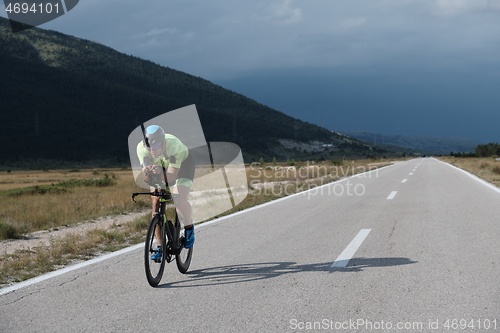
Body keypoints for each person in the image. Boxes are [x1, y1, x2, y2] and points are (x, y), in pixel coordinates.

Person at [137, 125, 195, 260]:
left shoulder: (174, 147)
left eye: (156, 145)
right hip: (160, 168)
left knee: (179, 198)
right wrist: (147, 173)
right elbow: (147, 180)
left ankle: (188, 227)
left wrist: (160, 171)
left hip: (183, 167)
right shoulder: (141, 148)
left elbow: (172, 178)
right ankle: (160, 246)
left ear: (163, 144)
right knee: (155, 204)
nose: (152, 150)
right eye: (149, 146)